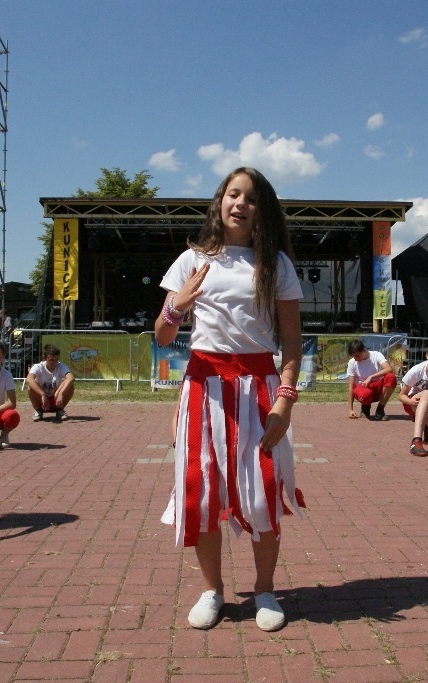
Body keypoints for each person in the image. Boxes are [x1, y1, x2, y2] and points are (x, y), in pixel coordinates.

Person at [154, 167, 304, 633]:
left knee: (261, 493)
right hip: (202, 386)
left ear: (263, 210)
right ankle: (212, 590)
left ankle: (264, 588)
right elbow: (162, 337)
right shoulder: (193, 259)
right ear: (220, 201)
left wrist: (285, 399)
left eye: (251, 198)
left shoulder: (275, 264)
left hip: (258, 389)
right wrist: (175, 304)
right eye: (233, 194)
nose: (240, 204)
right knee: (201, 495)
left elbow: (293, 344)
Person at [345, 339, 397, 420]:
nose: (355, 359)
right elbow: (351, 387)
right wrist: (350, 410)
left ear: (364, 350)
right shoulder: (352, 363)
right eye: (353, 357)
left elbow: (389, 369)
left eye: (357, 356)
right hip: (363, 388)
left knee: (391, 377)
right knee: (365, 394)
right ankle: (365, 407)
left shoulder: (376, 355)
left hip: (377, 387)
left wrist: (371, 377)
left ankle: (380, 410)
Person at [26, 344, 75, 422]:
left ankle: (59, 410)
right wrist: (42, 394)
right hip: (42, 400)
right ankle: (38, 410)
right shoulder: (38, 367)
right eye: (51, 360)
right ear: (45, 358)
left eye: (56, 359)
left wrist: (61, 393)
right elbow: (29, 379)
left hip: (56, 398)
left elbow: (71, 378)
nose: (54, 362)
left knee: (70, 385)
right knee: (30, 387)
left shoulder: (61, 366)